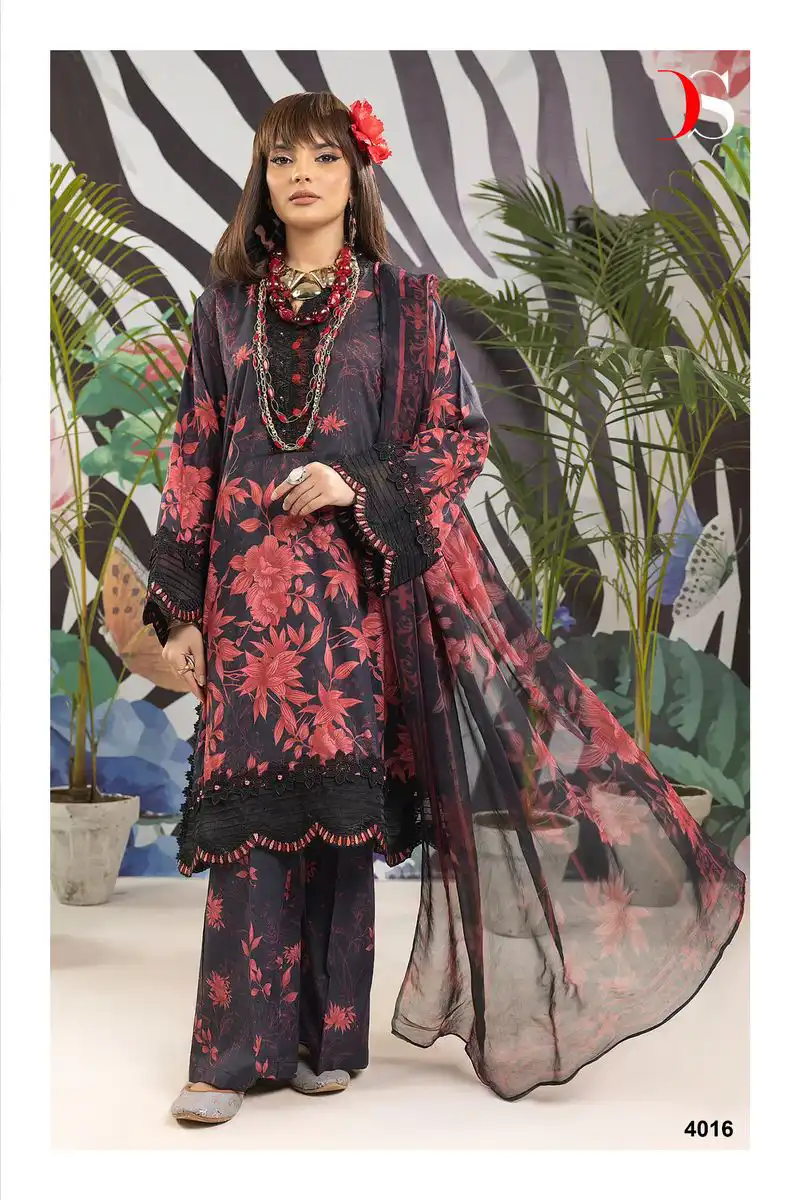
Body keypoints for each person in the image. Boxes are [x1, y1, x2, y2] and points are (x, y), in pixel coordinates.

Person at [143, 91, 747, 1125]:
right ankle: (227, 1058)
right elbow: (194, 457)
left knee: (338, 820)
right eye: (282, 159)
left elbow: (458, 437)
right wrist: (184, 608)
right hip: (244, 602)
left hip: (351, 604)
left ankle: (328, 1041)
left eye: (322, 157)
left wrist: (353, 483)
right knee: (247, 825)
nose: (301, 175)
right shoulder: (225, 310)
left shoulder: (403, 303)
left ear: (354, 176)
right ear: (261, 182)